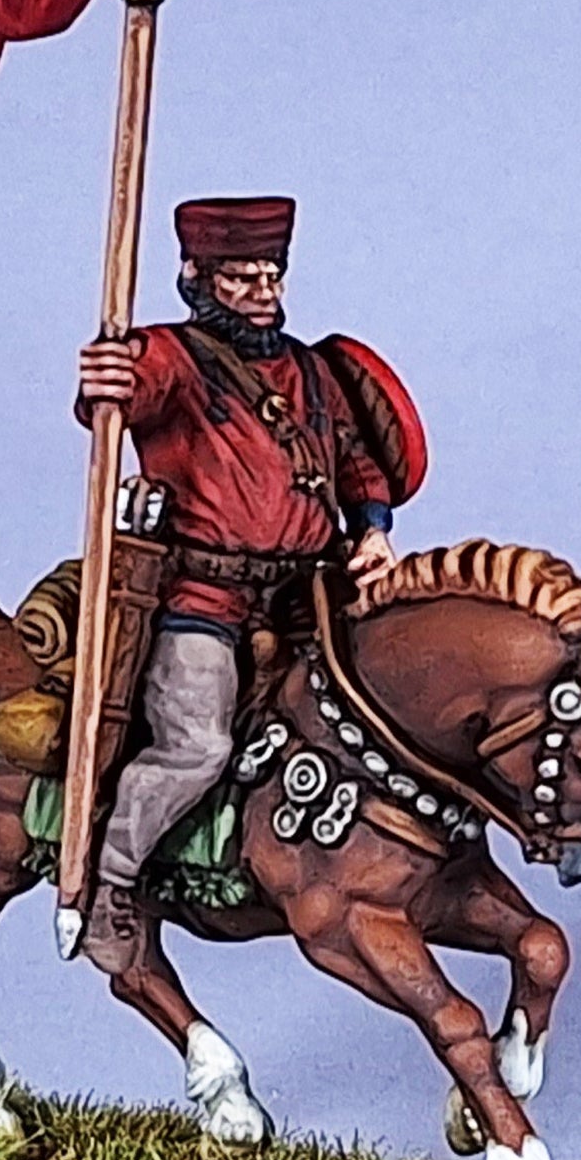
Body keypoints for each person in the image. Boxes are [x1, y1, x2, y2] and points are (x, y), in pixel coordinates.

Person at [73, 195, 400, 966]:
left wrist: (372, 528)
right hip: (202, 598)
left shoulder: (309, 369)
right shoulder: (168, 355)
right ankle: (109, 882)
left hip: (307, 596)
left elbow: (351, 456)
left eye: (270, 276)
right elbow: (122, 397)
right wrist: (104, 381)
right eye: (241, 279)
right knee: (195, 747)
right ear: (196, 276)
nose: (262, 292)